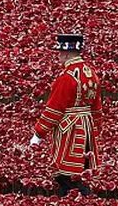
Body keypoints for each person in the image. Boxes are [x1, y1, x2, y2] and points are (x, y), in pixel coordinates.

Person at [31, 33, 102, 197]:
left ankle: (79, 197)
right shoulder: (91, 73)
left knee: (66, 172)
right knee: (80, 168)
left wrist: (39, 133)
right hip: (86, 124)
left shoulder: (66, 77)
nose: (58, 57)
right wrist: (96, 127)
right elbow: (97, 106)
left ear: (66, 53)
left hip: (70, 128)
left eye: (59, 53)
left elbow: (54, 108)